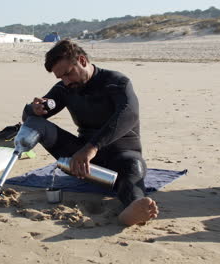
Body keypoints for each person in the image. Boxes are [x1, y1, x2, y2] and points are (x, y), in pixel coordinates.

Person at [21, 39, 158, 226]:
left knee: (133, 169)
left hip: (122, 154)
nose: (66, 81)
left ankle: (134, 207)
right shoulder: (64, 88)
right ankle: (124, 194)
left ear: (83, 60)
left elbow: (129, 115)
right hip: (82, 161)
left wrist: (92, 147)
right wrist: (32, 109)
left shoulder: (116, 82)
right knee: (37, 123)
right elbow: (30, 119)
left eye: (68, 73)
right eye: (61, 78)